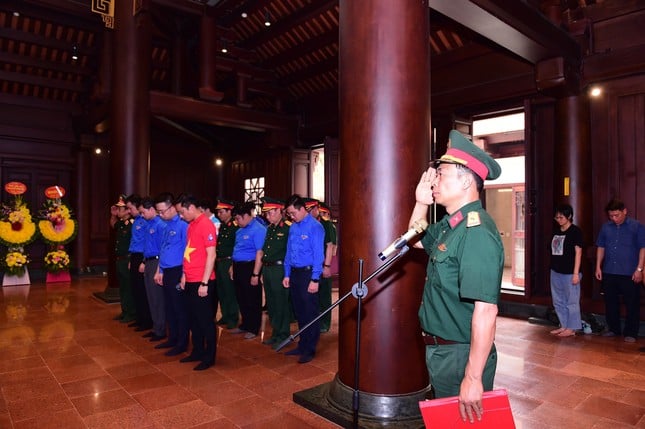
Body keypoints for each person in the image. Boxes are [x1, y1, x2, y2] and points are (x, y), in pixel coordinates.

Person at [410, 129, 503, 423]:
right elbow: (415, 237)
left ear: (465, 180)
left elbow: (486, 310)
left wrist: (473, 377)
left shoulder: (476, 232)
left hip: (460, 355)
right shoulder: (452, 224)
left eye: (441, 173)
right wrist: (421, 201)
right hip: (443, 351)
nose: (434, 180)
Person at [176, 194, 218, 371]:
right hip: (190, 279)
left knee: (205, 320)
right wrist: (185, 275)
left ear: (191, 207)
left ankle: (209, 356)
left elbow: (211, 255)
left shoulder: (206, 224)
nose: (181, 216)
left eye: (182, 212)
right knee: (193, 319)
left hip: (203, 281)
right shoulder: (190, 225)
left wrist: (205, 283)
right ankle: (198, 351)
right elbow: (189, 252)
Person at [595, 198, 645, 343]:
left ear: (624, 211)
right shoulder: (606, 228)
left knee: (632, 304)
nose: (614, 218)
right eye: (611, 216)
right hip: (610, 270)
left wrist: (639, 269)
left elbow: (643, 248)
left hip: (630, 272)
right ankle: (613, 329)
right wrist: (598, 266)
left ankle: (631, 332)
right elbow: (601, 247)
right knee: (610, 302)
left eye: (617, 215)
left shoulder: (636, 226)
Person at [282, 194, 325, 364]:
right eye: (289, 214)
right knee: (299, 311)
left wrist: (315, 279)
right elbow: (288, 252)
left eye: (292, 213)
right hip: (295, 273)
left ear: (302, 209)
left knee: (310, 313)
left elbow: (318, 256)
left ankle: (310, 348)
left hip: (308, 274)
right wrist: (286, 274)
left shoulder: (315, 227)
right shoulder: (293, 227)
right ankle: (302, 344)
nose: (291, 216)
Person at [153, 193, 189, 356]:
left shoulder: (183, 226)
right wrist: (159, 270)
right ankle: (172, 338)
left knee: (179, 308)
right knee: (169, 308)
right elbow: (164, 249)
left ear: (172, 208)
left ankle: (182, 343)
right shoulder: (166, 226)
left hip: (178, 271)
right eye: (158, 212)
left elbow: (187, 253)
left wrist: (184, 274)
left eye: (162, 211)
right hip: (166, 271)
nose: (161, 215)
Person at [230, 201, 267, 339]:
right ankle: (245, 324)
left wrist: (255, 274)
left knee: (253, 299)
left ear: (246, 215)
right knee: (242, 297)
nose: (237, 221)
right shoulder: (239, 230)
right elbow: (236, 250)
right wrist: (233, 267)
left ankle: (253, 327)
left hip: (250, 266)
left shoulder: (258, 229)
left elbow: (259, 253)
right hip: (238, 266)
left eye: (238, 218)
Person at [259, 197, 291, 348]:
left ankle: (284, 334)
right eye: (266, 213)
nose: (267, 216)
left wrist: (287, 274)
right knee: (271, 304)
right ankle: (275, 333)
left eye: (271, 213)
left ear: (280, 211)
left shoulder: (288, 228)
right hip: (268, 268)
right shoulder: (270, 228)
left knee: (281, 303)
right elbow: (265, 250)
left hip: (279, 269)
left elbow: (290, 253)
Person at [549, 204, 584, 337]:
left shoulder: (575, 232)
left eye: (561, 217)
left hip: (570, 272)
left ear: (569, 216)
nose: (559, 220)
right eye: (556, 217)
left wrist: (576, 273)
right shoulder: (556, 231)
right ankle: (563, 325)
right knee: (558, 300)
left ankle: (572, 328)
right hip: (556, 270)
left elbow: (578, 253)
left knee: (572, 301)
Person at [305, 198, 337, 333]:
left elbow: (330, 247)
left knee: (324, 296)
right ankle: (314, 321)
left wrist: (327, 266)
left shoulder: (325, 224)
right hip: (308, 266)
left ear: (315, 210)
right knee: (312, 296)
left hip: (323, 264)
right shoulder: (304, 224)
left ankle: (325, 323)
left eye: (309, 210)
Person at [139, 196, 167, 342]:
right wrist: (143, 261)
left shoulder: (161, 225)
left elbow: (163, 248)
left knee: (158, 298)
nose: (142, 215)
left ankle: (161, 329)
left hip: (157, 263)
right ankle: (156, 327)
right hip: (149, 262)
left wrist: (160, 269)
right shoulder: (149, 224)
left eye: (143, 212)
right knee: (150, 296)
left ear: (151, 209)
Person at [126, 194, 153, 332]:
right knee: (135, 289)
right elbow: (134, 241)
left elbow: (148, 243)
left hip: (143, 256)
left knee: (143, 291)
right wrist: (132, 259)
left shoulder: (146, 221)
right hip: (135, 256)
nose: (129, 211)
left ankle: (146, 320)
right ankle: (139, 318)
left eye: (130, 208)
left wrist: (143, 261)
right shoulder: (135, 221)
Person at [110, 194, 136, 324]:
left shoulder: (132, 224)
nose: (118, 210)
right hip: (120, 260)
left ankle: (131, 313)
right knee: (123, 288)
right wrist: (113, 215)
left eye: (120, 209)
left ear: (127, 210)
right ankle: (124, 311)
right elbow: (113, 225)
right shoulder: (121, 223)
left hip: (127, 260)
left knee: (128, 287)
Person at [215, 199, 240, 329]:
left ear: (229, 211)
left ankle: (232, 317)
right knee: (221, 291)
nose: (219, 214)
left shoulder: (235, 226)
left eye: (222, 212)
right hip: (219, 261)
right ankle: (225, 315)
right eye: (218, 212)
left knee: (230, 291)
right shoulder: (223, 226)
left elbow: (236, 246)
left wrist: (232, 264)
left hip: (228, 261)